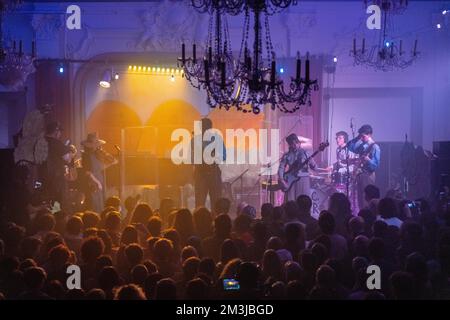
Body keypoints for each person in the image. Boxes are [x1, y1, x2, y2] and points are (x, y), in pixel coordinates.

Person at [192, 118, 226, 209]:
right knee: (199, 202)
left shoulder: (217, 139)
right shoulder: (194, 140)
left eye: (204, 127)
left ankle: (216, 220)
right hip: (200, 174)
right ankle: (200, 220)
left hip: (213, 173)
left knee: (216, 203)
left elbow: (223, 156)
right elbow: (191, 159)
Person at [347, 125, 381, 210]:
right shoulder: (363, 145)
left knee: (367, 200)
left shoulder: (375, 147)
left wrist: (368, 160)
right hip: (360, 175)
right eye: (360, 136)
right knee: (360, 201)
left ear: (369, 134)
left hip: (368, 175)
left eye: (363, 136)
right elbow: (350, 147)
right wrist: (357, 137)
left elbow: (375, 166)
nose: (361, 138)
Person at [81, 132, 116, 212]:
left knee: (101, 202)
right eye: (95, 144)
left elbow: (111, 162)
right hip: (92, 181)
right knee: (95, 203)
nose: (97, 146)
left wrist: (105, 155)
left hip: (100, 179)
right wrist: (97, 182)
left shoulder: (97, 154)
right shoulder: (86, 155)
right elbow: (87, 172)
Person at [278, 133, 317, 202]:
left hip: (303, 180)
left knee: (303, 201)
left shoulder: (305, 153)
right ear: (289, 145)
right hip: (291, 180)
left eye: (296, 143)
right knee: (291, 201)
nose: (295, 145)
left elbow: (315, 167)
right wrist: (282, 180)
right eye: (292, 144)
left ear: (298, 143)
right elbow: (281, 167)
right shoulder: (287, 154)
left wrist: (312, 162)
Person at [42, 121, 71, 206]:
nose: (60, 134)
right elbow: (68, 159)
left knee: (45, 202)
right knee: (58, 203)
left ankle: (46, 218)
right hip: (56, 180)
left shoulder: (40, 143)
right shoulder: (57, 143)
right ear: (56, 131)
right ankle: (57, 217)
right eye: (59, 132)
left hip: (41, 179)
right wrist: (68, 150)